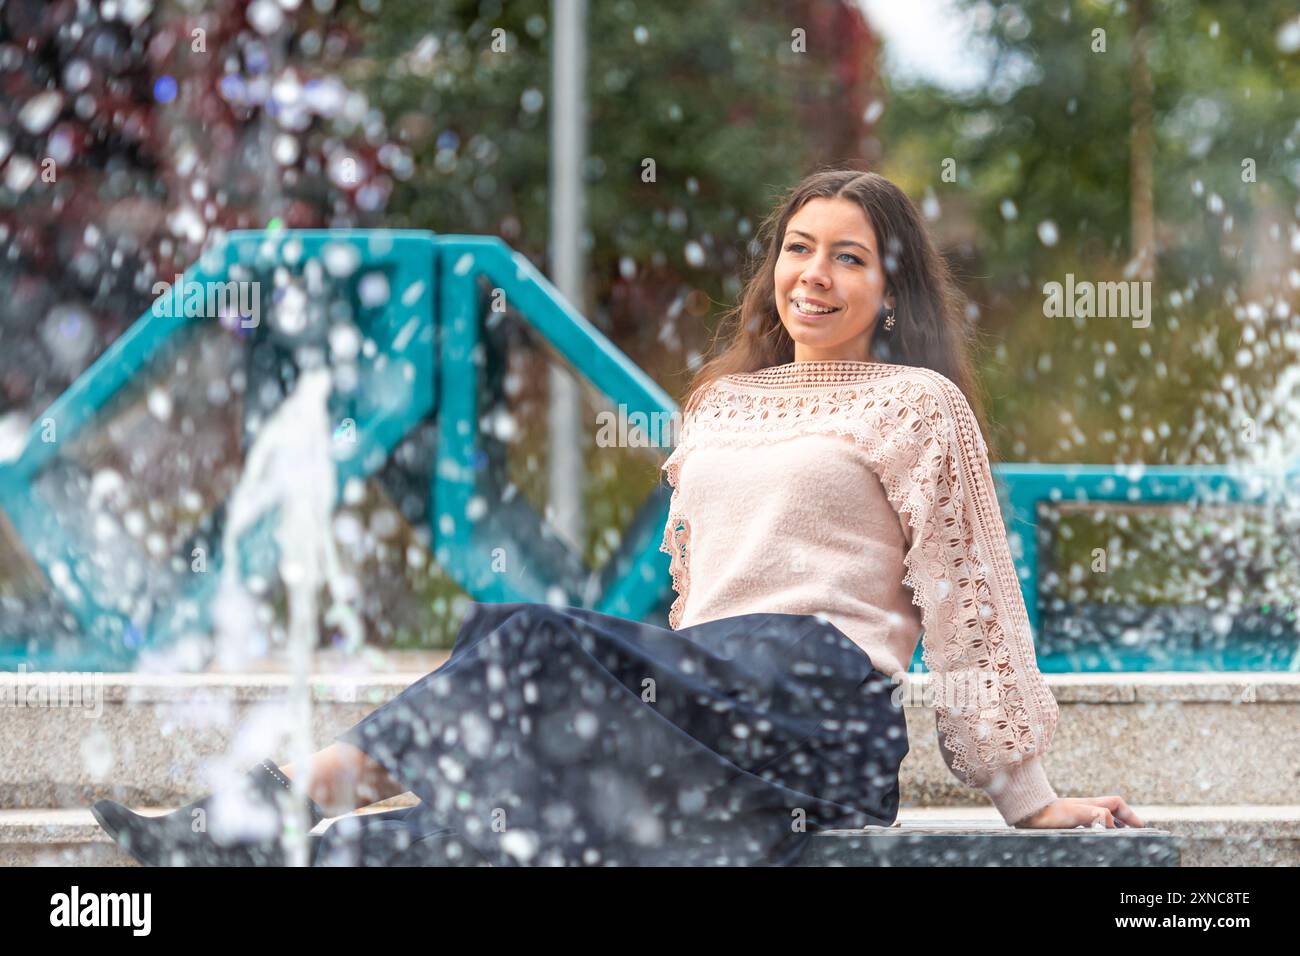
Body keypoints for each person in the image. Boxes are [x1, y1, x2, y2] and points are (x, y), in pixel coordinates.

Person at [90, 167, 1144, 868]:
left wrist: (1029, 796)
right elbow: (699, 595)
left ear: (890, 280)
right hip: (709, 697)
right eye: (797, 248)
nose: (812, 276)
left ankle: (264, 801)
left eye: (848, 256)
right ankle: (253, 845)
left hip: (815, 702)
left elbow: (970, 599)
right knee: (477, 826)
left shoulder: (917, 403)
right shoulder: (720, 402)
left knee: (529, 631)